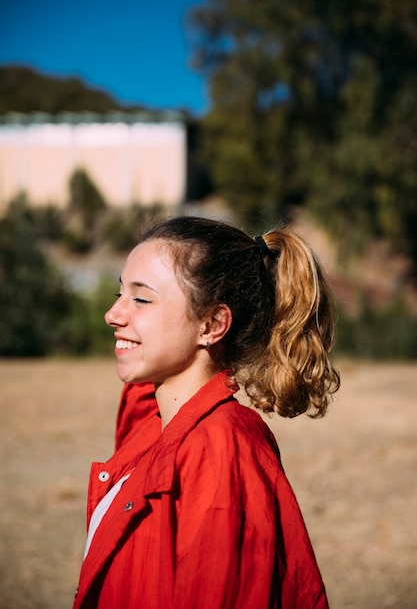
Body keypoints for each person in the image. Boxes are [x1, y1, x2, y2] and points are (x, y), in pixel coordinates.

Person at [73, 215, 340, 609]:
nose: (113, 314)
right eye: (120, 294)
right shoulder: (160, 427)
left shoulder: (221, 450)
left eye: (141, 298)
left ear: (212, 324)